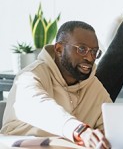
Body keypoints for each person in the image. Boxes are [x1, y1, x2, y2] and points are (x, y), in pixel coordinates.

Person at [1, 21, 111, 149]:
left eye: (94, 52)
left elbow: (111, 128)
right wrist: (80, 131)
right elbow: (40, 107)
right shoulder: (30, 76)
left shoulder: (95, 87)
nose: (90, 57)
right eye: (82, 49)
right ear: (59, 49)